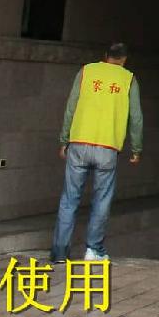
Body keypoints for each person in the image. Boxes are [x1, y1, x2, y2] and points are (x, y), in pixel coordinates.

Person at [51, 42, 142, 262]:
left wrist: (64, 140)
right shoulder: (128, 79)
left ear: (105, 55)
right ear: (124, 59)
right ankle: (93, 249)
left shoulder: (86, 71)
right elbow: (136, 117)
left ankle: (60, 252)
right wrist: (136, 148)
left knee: (69, 198)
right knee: (101, 200)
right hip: (107, 148)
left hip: (79, 143)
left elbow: (71, 107)